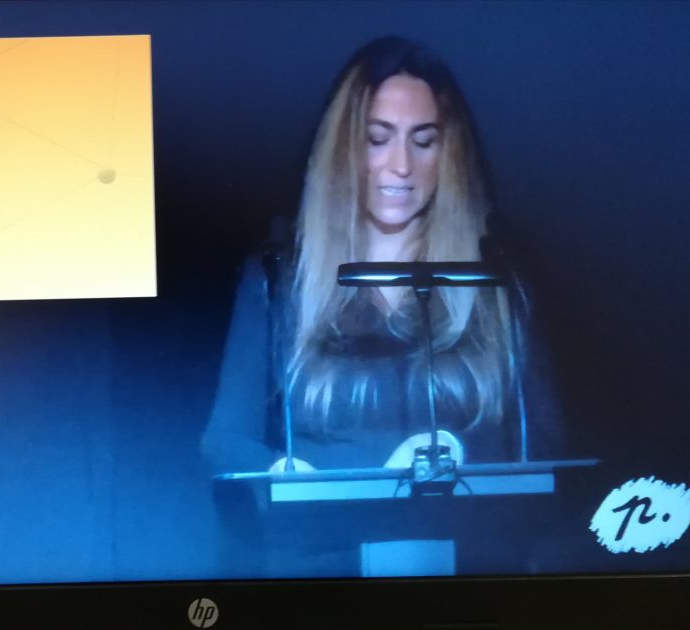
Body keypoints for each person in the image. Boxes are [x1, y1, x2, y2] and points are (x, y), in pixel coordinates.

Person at [202, 35, 562, 481]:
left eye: (423, 141)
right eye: (378, 139)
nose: (401, 165)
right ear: (344, 149)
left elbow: (544, 449)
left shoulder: (495, 283)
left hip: (463, 527)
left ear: (448, 154)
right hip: (324, 527)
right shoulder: (277, 279)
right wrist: (291, 480)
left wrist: (456, 460)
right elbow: (225, 441)